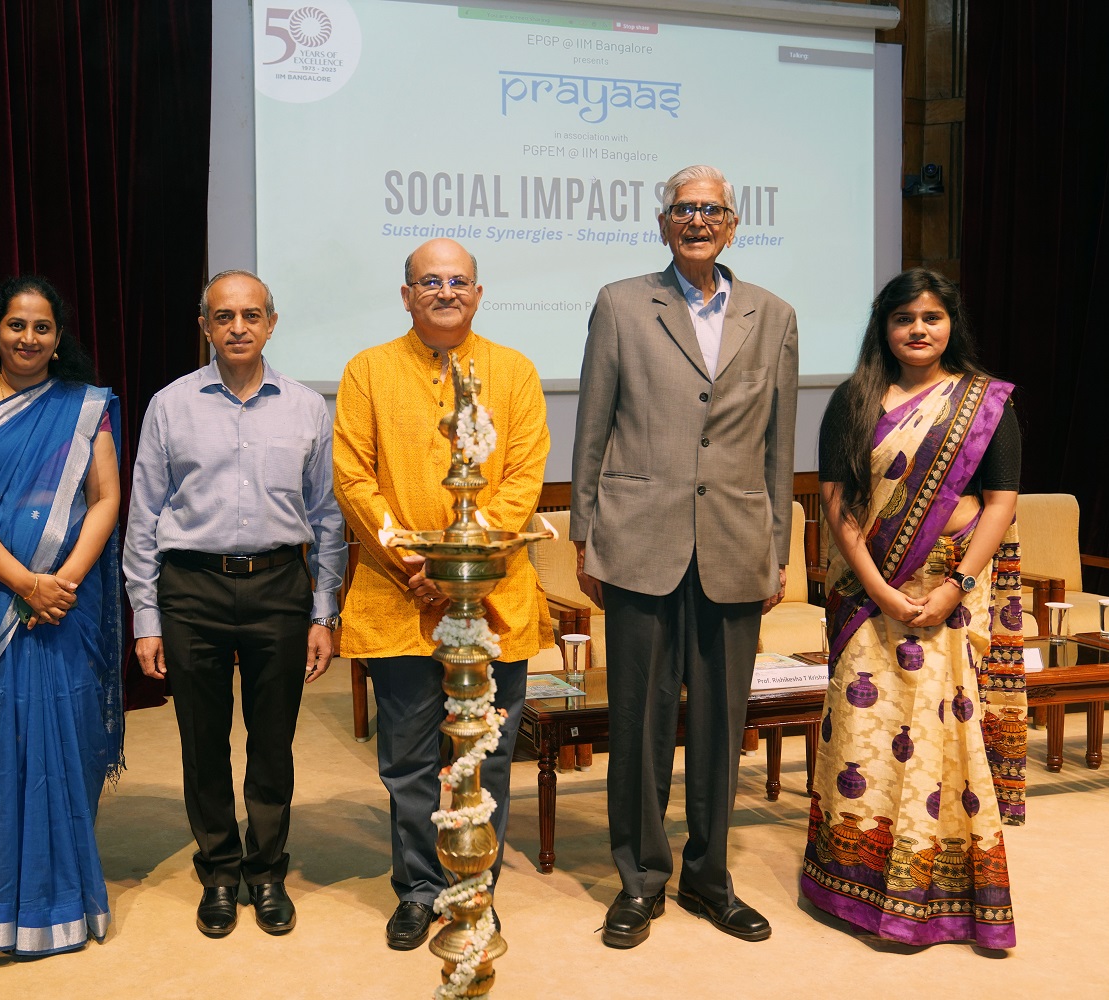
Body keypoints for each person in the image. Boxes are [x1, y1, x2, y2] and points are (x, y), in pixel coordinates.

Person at [571, 164, 798, 947]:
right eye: (683, 209)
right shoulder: (622, 304)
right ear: (663, 223)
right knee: (636, 719)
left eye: (712, 209)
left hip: (736, 544)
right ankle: (639, 878)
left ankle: (709, 877)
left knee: (720, 724)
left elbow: (779, 442)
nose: (697, 220)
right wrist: (585, 534)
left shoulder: (774, 315)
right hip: (638, 541)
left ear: (733, 224)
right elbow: (592, 426)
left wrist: (777, 550)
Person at [334, 238, 553, 950]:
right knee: (408, 758)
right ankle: (422, 889)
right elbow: (353, 479)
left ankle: (477, 888)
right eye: (430, 282)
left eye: (459, 281)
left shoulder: (513, 371)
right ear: (406, 295)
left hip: (494, 600)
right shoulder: (367, 371)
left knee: (486, 754)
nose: (446, 292)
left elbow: (523, 476)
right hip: (398, 596)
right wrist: (418, 564)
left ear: (479, 294)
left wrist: (465, 562)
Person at [801, 267, 1022, 948]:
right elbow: (837, 504)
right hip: (874, 598)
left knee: (940, 741)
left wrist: (954, 583)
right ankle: (854, 886)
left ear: (950, 324)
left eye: (931, 317)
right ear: (885, 327)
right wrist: (880, 588)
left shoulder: (985, 404)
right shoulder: (854, 399)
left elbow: (1001, 505)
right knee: (865, 741)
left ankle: (938, 894)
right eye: (905, 319)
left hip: (950, 596)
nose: (918, 330)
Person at [123, 269, 346, 938]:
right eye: (224, 316)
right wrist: (146, 616)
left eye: (251, 315)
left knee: (273, 741)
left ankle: (268, 869)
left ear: (271, 324)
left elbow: (327, 517)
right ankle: (220, 870)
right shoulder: (170, 405)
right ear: (206, 326)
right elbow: (143, 516)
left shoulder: (307, 406)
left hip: (281, 586)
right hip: (191, 589)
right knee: (203, 740)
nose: (239, 327)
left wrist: (323, 611)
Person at [0, 275, 124, 956]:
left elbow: (105, 499)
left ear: (58, 336)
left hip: (65, 602)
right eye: (17, 325)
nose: (30, 339)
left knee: (66, 736)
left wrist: (62, 582)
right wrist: (24, 584)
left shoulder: (84, 405)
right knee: (1, 744)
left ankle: (64, 898)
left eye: (43, 327)